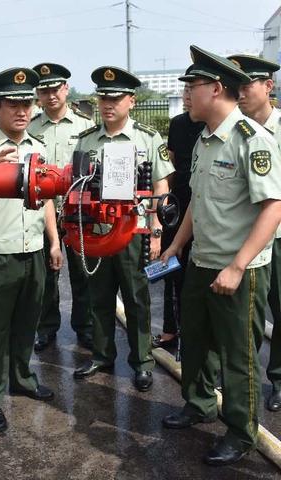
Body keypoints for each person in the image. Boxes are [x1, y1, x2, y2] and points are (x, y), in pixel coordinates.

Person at [161, 45, 281, 466]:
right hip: (201, 261)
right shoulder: (205, 140)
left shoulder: (252, 141)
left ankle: (241, 431)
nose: (186, 96)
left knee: (238, 356)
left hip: (239, 270)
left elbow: (273, 207)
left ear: (215, 88)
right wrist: (177, 244)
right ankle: (198, 404)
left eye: (191, 87)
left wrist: (237, 265)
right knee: (195, 343)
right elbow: (197, 198)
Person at [0, 67, 63, 432]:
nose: (22, 111)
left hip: (33, 249)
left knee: (26, 323)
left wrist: (54, 241)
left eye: (27, 104)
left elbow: (47, 198)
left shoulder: (39, 149)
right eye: (13, 104)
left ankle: (22, 378)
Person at [72, 66, 174, 392]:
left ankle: (142, 361)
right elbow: (75, 185)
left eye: (115, 98)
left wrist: (156, 229)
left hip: (134, 232)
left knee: (136, 298)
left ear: (131, 100)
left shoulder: (147, 137)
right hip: (98, 231)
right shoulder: (86, 140)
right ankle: (102, 355)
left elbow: (160, 184)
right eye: (103, 98)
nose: (108, 104)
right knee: (99, 297)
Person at [228, 54, 281, 412]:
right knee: (243, 312)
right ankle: (236, 379)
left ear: (268, 86)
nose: (241, 92)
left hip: (278, 236)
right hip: (243, 238)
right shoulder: (234, 131)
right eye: (237, 86)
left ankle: (277, 377)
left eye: (248, 84)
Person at [29, 63, 95, 352]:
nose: (51, 95)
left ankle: (85, 327)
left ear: (66, 89)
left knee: (82, 273)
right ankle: (46, 327)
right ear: (38, 95)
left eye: (55, 88)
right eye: (44, 90)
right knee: (45, 276)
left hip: (78, 211)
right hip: (43, 212)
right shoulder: (31, 128)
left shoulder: (85, 127)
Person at [152, 71, 204, 349]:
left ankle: (194, 332)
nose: (187, 95)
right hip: (179, 204)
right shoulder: (178, 124)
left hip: (204, 204)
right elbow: (170, 166)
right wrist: (165, 203)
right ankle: (171, 329)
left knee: (198, 272)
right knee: (172, 268)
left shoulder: (210, 126)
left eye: (191, 90)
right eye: (184, 91)